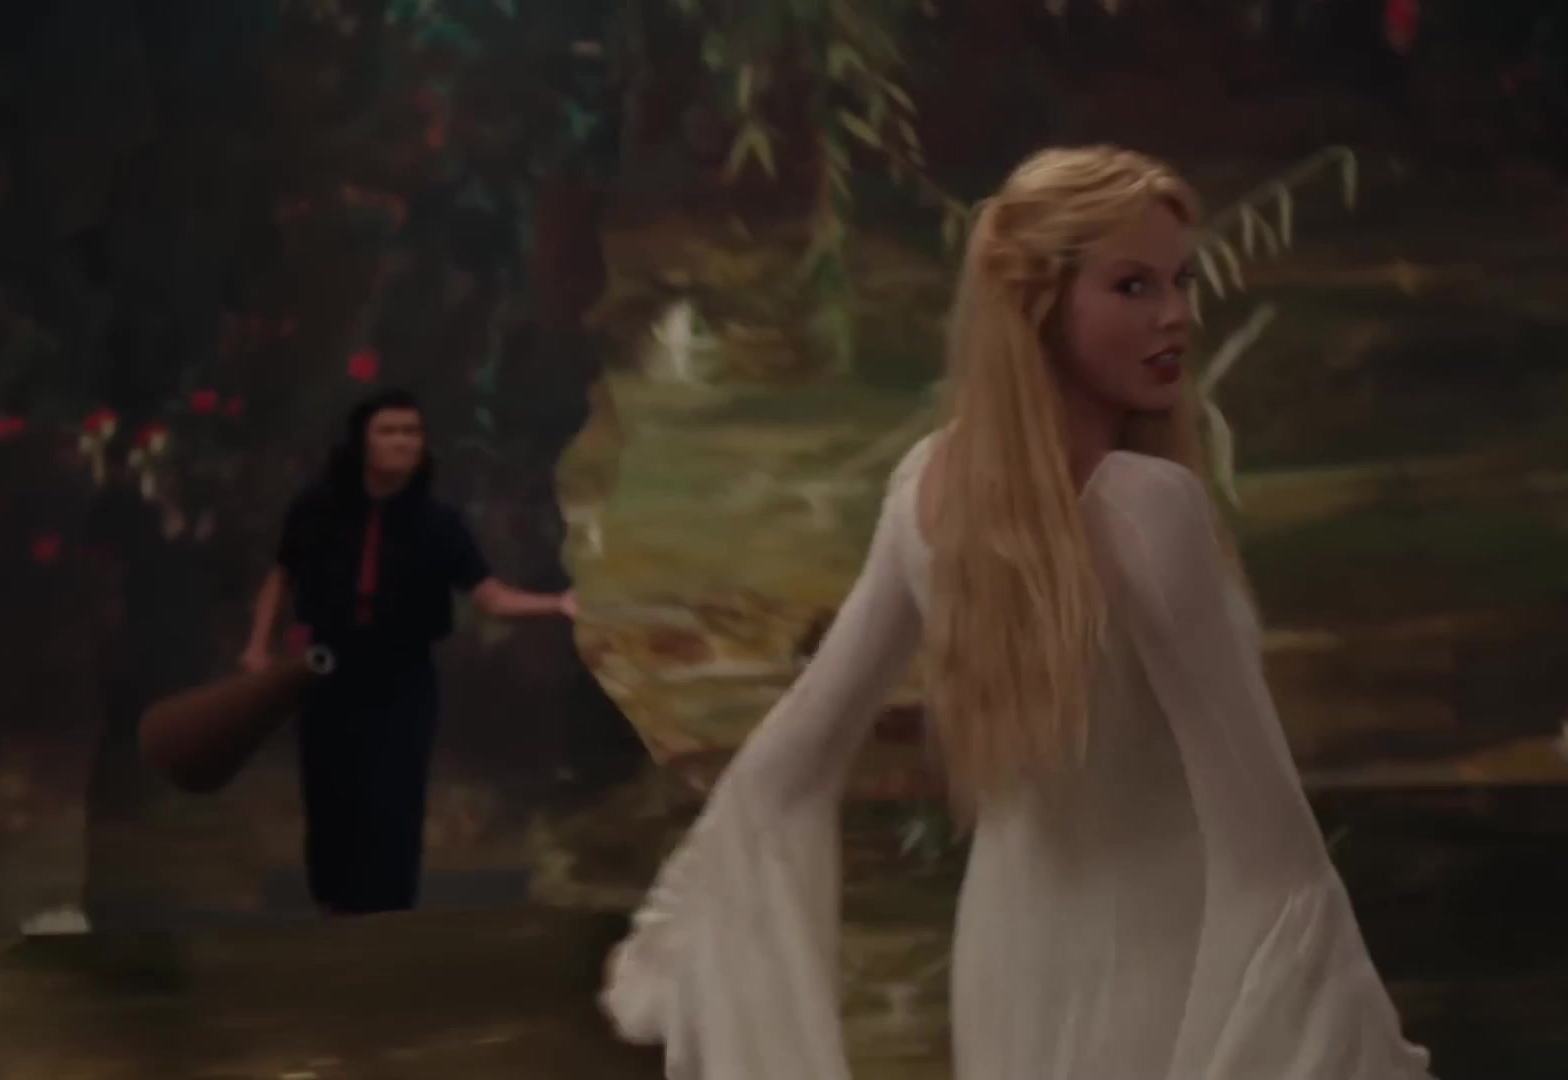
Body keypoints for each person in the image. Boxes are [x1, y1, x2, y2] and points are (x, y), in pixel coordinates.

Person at [598, 147, 1435, 1078]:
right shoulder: (1145, 509)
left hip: (1004, 962)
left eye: (1182, 281)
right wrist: (1362, 1046)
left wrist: (680, 936)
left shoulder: (927, 484)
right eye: (1133, 285)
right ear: (1038, 304)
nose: (1177, 315)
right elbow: (1268, 846)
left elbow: (782, 769)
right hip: (1162, 959)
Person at [241, 389, 578, 916]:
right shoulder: (316, 508)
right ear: (362, 441)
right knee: (329, 787)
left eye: (412, 432)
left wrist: (557, 603)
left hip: (403, 674)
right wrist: (257, 646)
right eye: (389, 431)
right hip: (326, 668)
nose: (402, 442)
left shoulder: (440, 523)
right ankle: (333, 901)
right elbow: (281, 576)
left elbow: (489, 596)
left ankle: (388, 909)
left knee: (397, 791)